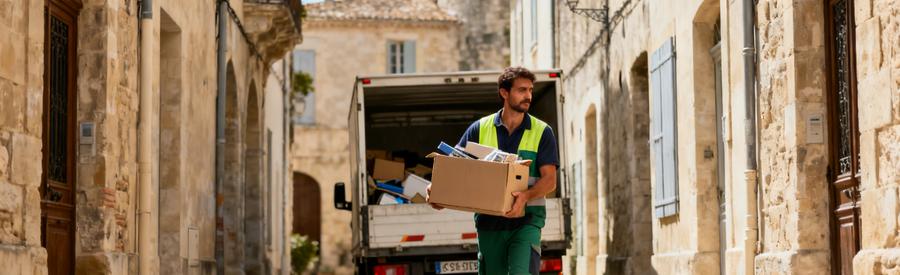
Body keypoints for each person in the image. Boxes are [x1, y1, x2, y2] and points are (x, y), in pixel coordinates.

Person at [428, 66, 559, 275]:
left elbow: (550, 180)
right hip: (488, 226)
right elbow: (453, 171)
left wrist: (525, 197)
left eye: (530, 90)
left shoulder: (542, 131)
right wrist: (438, 192)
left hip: (526, 223)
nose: (528, 96)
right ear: (504, 93)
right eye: (522, 90)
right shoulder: (479, 129)